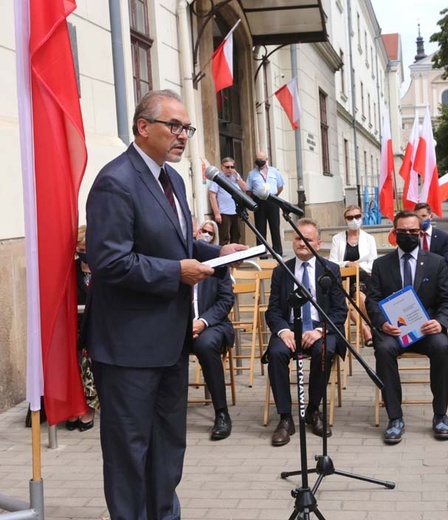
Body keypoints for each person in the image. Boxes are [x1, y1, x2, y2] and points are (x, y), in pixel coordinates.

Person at [83, 89, 247, 519]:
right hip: (127, 348)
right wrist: (177, 273)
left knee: (168, 444)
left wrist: (217, 254)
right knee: (129, 453)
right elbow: (110, 262)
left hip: (171, 339)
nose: (183, 136)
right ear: (143, 128)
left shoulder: (171, 178)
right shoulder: (114, 182)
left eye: (186, 128)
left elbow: (177, 243)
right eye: (173, 126)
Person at [365, 211, 448, 444]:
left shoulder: (436, 263)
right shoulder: (381, 264)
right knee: (383, 350)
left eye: (413, 232)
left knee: (442, 348)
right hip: (393, 332)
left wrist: (441, 322)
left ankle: (440, 415)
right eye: (402, 231)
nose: (408, 235)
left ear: (420, 233)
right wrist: (382, 323)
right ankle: (395, 418)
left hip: (427, 331)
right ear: (394, 233)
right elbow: (372, 300)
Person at [264, 218, 347, 446]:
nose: (302, 243)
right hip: (290, 330)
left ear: (318, 244)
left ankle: (313, 410)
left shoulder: (331, 270)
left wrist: (321, 330)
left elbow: (340, 311)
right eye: (298, 238)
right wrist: (282, 331)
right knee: (276, 353)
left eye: (308, 239)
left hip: (320, 330)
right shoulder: (282, 271)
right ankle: (285, 418)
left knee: (324, 352)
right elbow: (272, 310)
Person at [192, 222, 235, 440]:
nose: (204, 236)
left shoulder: (218, 264)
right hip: (179, 325)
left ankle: (221, 413)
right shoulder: (176, 263)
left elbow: (226, 300)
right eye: (201, 232)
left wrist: (202, 322)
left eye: (209, 233)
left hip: (213, 325)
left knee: (205, 344)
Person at [328, 205, 378, 346]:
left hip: (362, 276)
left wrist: (359, 266)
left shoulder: (369, 239)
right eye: (350, 217)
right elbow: (332, 262)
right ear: (345, 220)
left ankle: (374, 328)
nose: (354, 220)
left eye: (357, 217)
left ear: (361, 217)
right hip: (342, 277)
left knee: (360, 297)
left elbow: (373, 263)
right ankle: (366, 331)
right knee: (343, 302)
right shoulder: (337, 239)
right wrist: (347, 264)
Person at [66, 225, 97, 432]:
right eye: (81, 250)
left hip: (99, 329)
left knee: (87, 354)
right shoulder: (71, 270)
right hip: (75, 328)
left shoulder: (104, 268)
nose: (84, 254)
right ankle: (73, 405)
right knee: (69, 354)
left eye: (88, 250)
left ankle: (89, 406)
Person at [246, 151, 286, 256]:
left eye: (261, 159)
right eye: (257, 159)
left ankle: (277, 251)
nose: (259, 161)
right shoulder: (252, 174)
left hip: (272, 200)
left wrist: (274, 196)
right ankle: (261, 252)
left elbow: (280, 186)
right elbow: (248, 190)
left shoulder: (274, 172)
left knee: (275, 227)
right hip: (259, 201)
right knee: (260, 228)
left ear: (266, 159)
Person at [209, 157, 248, 245]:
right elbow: (212, 196)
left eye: (232, 167)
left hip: (236, 212)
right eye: (227, 167)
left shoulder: (236, 177)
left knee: (236, 236)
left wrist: (238, 178)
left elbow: (245, 188)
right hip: (224, 212)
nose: (230, 169)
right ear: (222, 167)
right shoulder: (218, 178)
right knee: (224, 237)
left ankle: (237, 258)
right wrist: (216, 213)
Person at [414, 202, 448, 267]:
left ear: (431, 216)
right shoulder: (412, 235)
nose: (421, 220)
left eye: (424, 216)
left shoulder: (442, 237)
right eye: (418, 217)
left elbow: (445, 262)